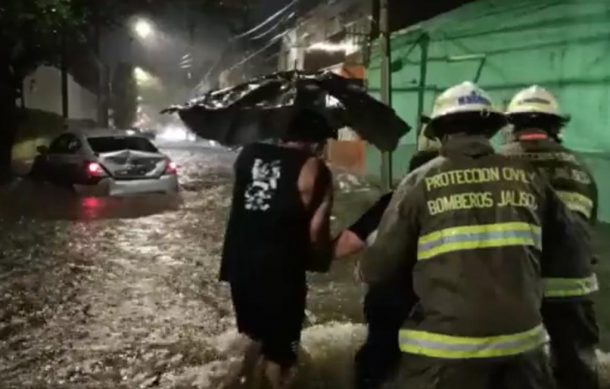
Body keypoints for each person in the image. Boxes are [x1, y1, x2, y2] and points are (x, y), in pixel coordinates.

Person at [360, 81, 593, 389]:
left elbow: (378, 268)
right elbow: (568, 245)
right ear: (492, 130)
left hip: (446, 350)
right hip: (525, 346)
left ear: (441, 132)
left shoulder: (420, 181)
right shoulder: (529, 176)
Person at [220, 109, 334, 388]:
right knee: (282, 353)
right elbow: (316, 229)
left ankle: (242, 381)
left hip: (239, 265)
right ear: (317, 142)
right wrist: (323, 257)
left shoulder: (246, 155)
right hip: (282, 271)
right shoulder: (315, 168)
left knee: (252, 338)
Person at [501, 85, 600, 389]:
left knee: (517, 368)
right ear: (556, 127)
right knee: (577, 367)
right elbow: (587, 225)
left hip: (520, 286)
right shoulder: (580, 167)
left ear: (513, 125)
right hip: (575, 284)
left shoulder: (500, 162)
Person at [333, 136, 440, 389]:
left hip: (389, 299)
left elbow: (344, 245)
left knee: (377, 360)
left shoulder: (391, 202)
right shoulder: (451, 207)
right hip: (439, 299)